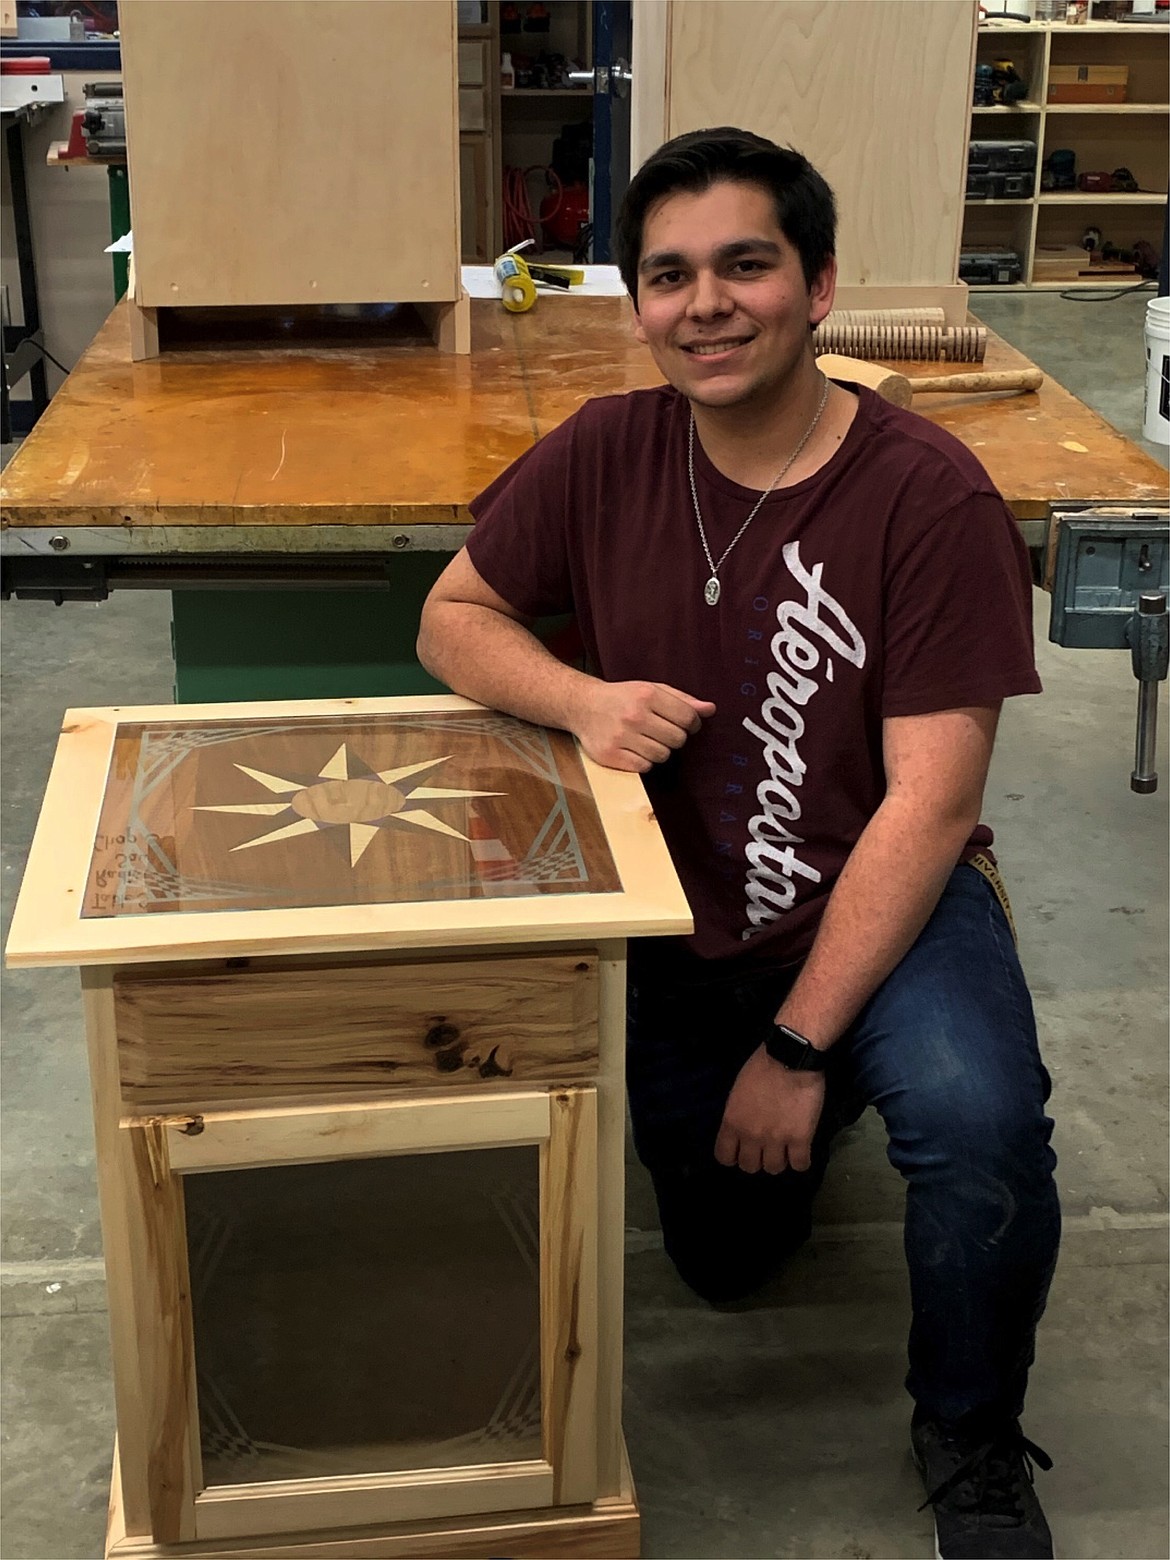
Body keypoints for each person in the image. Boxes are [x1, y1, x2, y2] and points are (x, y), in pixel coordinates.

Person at [417, 127, 1061, 1560]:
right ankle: (808, 1111)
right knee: (721, 1260)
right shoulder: (605, 452)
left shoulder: (927, 495)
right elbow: (450, 618)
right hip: (670, 918)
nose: (704, 304)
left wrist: (796, 1048)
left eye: (744, 265)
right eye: (667, 275)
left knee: (975, 1126)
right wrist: (582, 699)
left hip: (881, 902)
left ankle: (967, 1432)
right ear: (637, 302)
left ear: (818, 286)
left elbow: (930, 802)